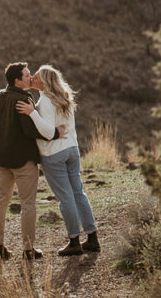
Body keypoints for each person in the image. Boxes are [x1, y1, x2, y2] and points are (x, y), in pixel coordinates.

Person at [16, 64, 100, 256]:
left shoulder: (45, 101)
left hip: (54, 154)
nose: (33, 79)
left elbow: (46, 131)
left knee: (66, 197)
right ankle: (92, 238)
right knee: (78, 193)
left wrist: (32, 113)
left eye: (36, 77)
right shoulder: (65, 98)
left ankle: (74, 241)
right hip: (72, 150)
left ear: (45, 81)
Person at [0, 60, 52, 261]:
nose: (30, 77)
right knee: (28, 204)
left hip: (2, 160)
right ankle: (28, 249)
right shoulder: (24, 98)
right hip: (24, 162)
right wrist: (53, 134)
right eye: (27, 74)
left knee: (0, 200)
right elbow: (31, 130)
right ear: (17, 80)